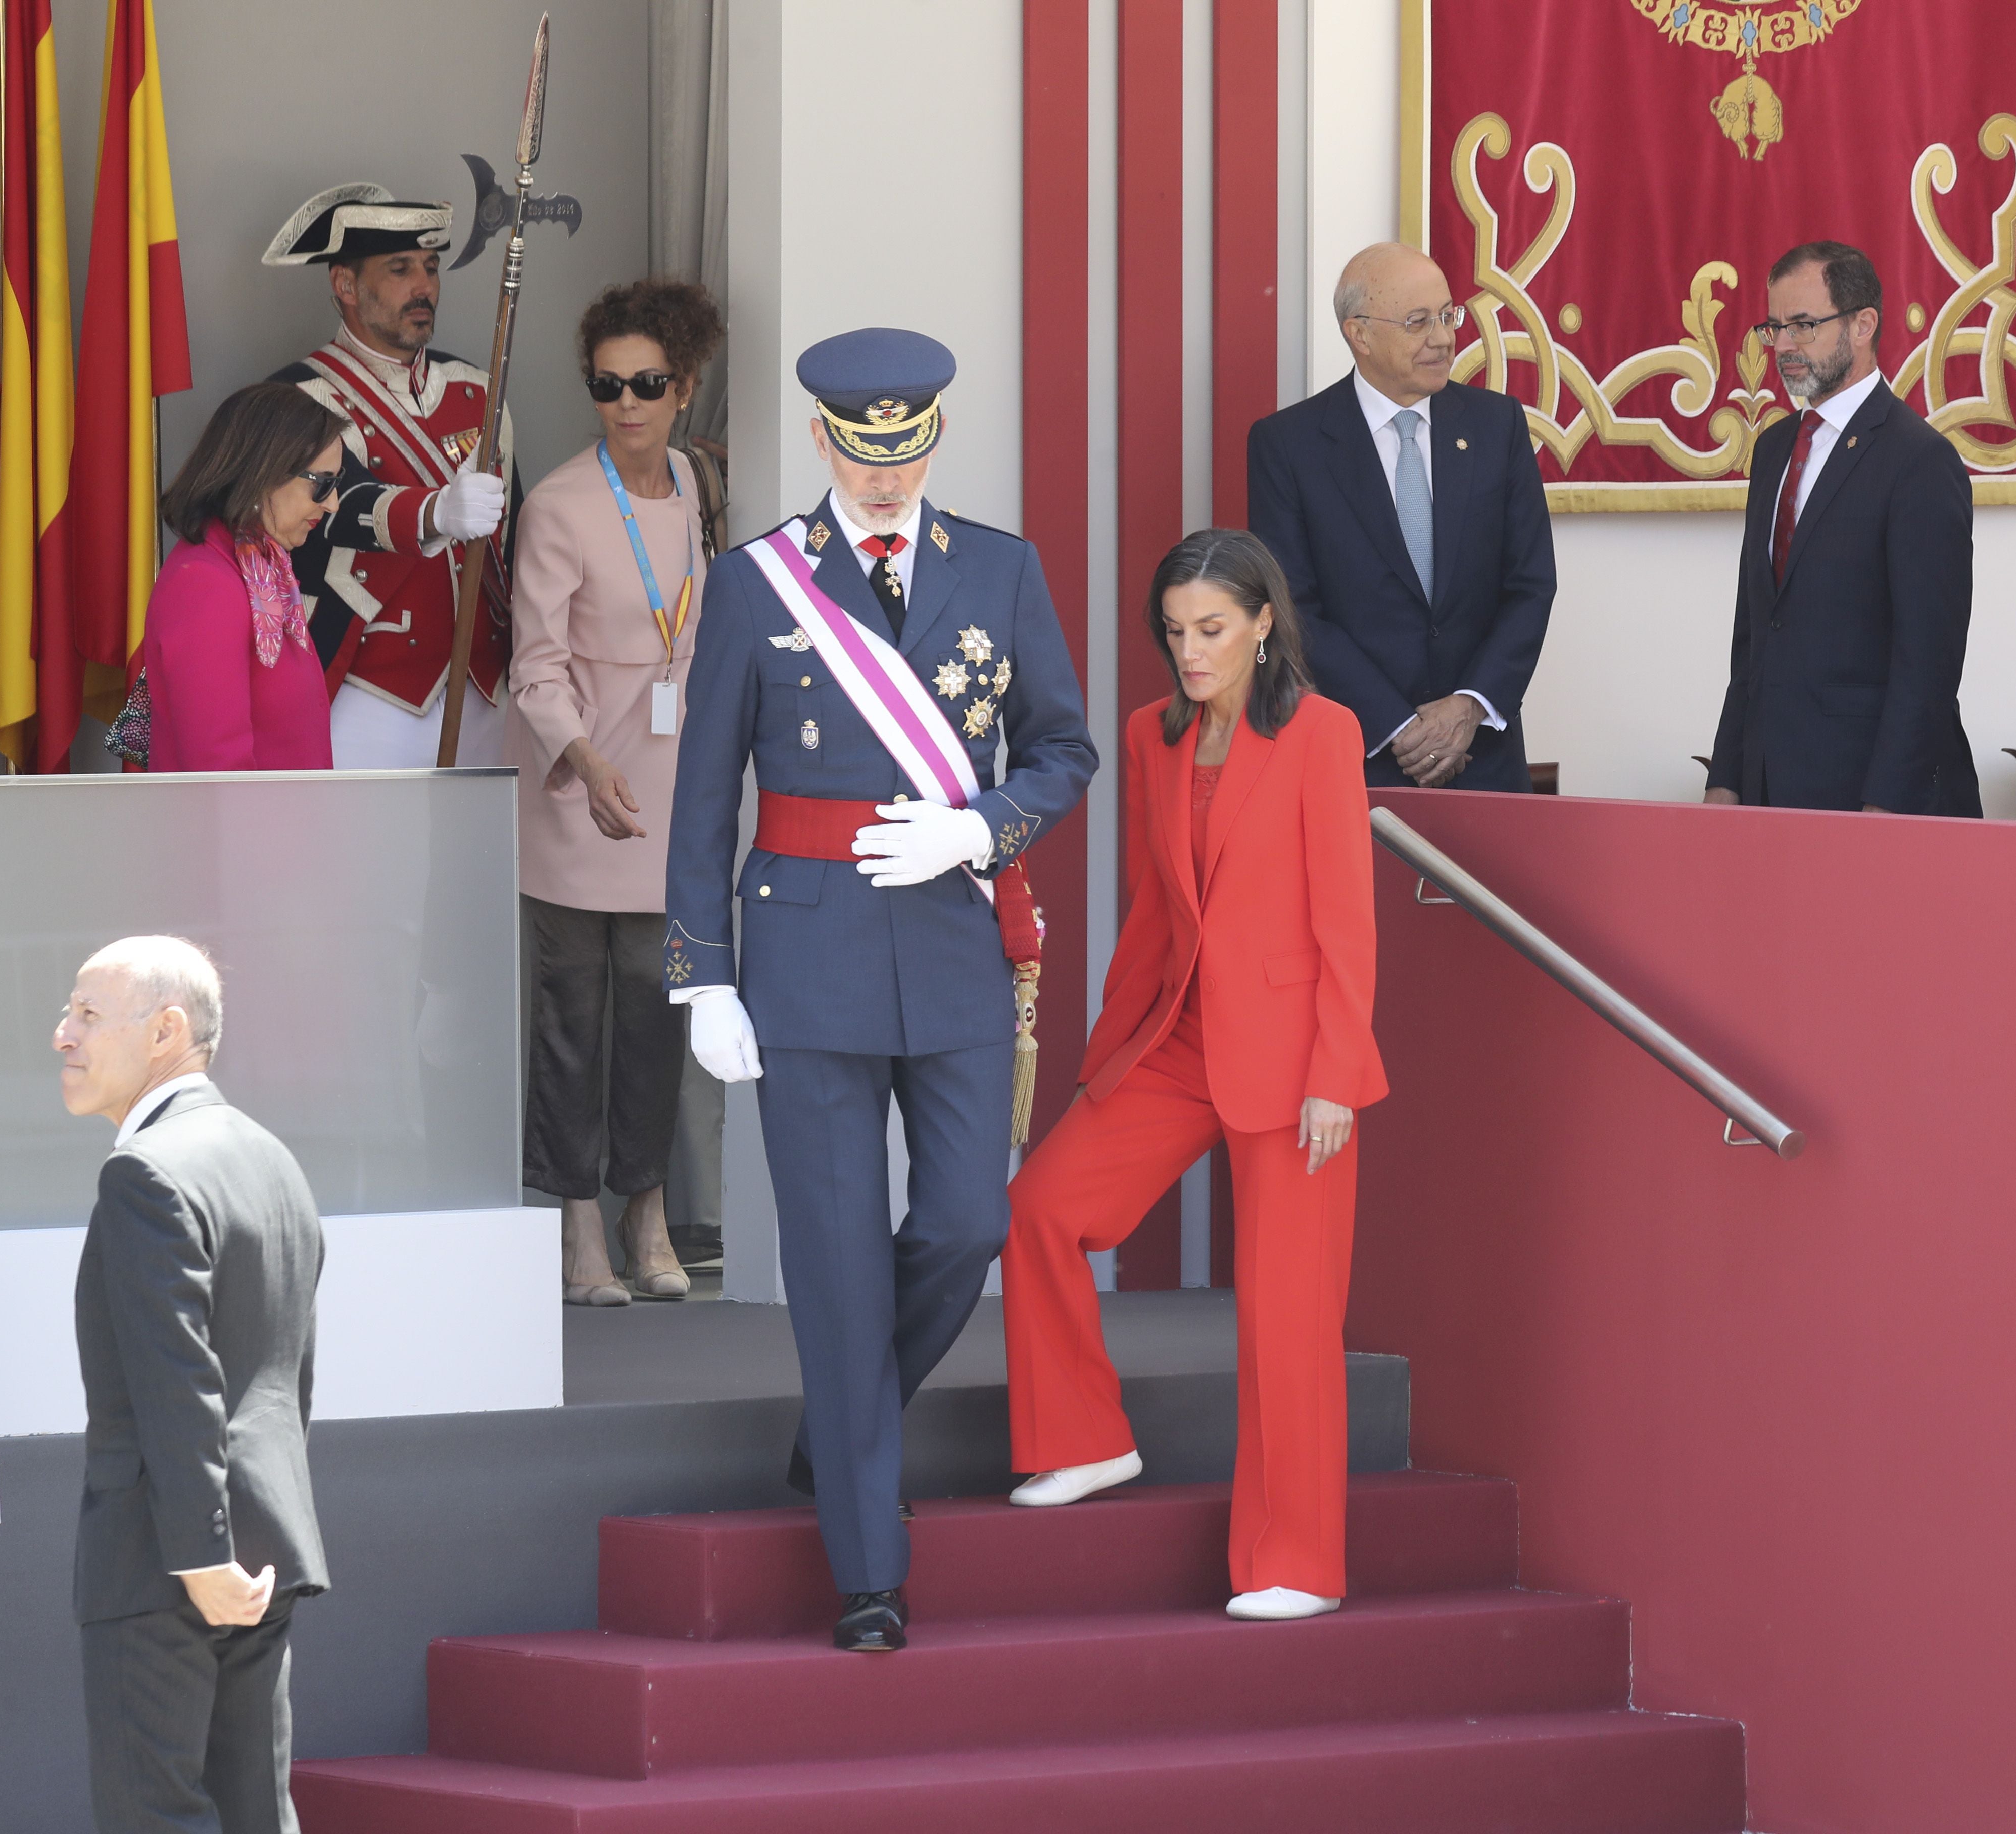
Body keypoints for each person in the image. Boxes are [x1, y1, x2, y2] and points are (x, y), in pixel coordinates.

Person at [664, 328, 1096, 1652]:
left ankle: (841, 1427)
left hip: (956, 946)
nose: (888, 476)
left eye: (908, 451)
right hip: (805, 956)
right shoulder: (755, 585)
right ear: (824, 444)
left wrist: (984, 828)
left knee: (965, 1222)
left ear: (934, 443)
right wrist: (703, 975)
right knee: (839, 1268)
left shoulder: (1003, 570)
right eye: (865, 451)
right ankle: (869, 1566)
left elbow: (1064, 747)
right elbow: (702, 799)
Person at [1001, 530, 1385, 1622]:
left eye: (1212, 630)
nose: (1191, 653)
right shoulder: (1152, 736)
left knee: (1287, 1316)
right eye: (1175, 634)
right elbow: (1153, 917)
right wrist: (1106, 1062)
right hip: (1178, 1039)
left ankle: (1292, 1562)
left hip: (1296, 1061)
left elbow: (1345, 923)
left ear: (1265, 624)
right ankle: (1083, 1440)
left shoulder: (1323, 734)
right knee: (1042, 1207)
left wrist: (1335, 1075)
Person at [57, 937, 328, 1834]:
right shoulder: (270, 1156)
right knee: (260, 1811)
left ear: (167, 1031)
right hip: (262, 1544)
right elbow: (287, 1381)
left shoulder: (145, 1173)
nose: (63, 1034)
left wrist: (201, 1556)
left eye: (89, 1014)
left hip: (170, 1560)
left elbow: (179, 1385)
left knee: (154, 1815)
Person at [511, 280, 724, 1306]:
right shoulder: (558, 505)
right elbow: (535, 668)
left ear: (684, 387)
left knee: (654, 1013)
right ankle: (574, 1224)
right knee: (569, 1019)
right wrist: (585, 763)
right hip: (576, 797)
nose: (626, 402)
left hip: (672, 794)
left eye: (647, 383)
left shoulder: (695, 483)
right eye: (607, 385)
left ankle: (646, 1205)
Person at [1247, 241, 1555, 792]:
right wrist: (1399, 727)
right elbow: (1293, 608)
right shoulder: (1289, 446)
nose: (1443, 338)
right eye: (1418, 322)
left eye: (1447, 315)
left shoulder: (1497, 426)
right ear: (1359, 334)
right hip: (1357, 757)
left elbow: (1530, 584)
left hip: (1482, 755)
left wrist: (1469, 706)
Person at [1705, 242, 1980, 815]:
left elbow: (1926, 666)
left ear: (1863, 325)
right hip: (1770, 792)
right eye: (1774, 328)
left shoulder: (1919, 461)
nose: (1783, 347)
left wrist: (1883, 807)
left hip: (1869, 798)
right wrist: (1727, 776)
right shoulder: (1775, 449)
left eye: (1803, 326)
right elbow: (1753, 638)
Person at [262, 183, 514, 768]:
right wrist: (436, 513)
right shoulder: (297, 398)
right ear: (345, 285)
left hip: (486, 691)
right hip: (363, 691)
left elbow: (514, 544)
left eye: (430, 268)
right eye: (400, 269)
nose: (424, 287)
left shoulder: (481, 392)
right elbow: (338, 510)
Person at [135, 382, 351, 772]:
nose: (333, 503)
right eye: (323, 484)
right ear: (262, 471)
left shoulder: (261, 565)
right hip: (246, 831)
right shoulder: (205, 583)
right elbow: (217, 768)